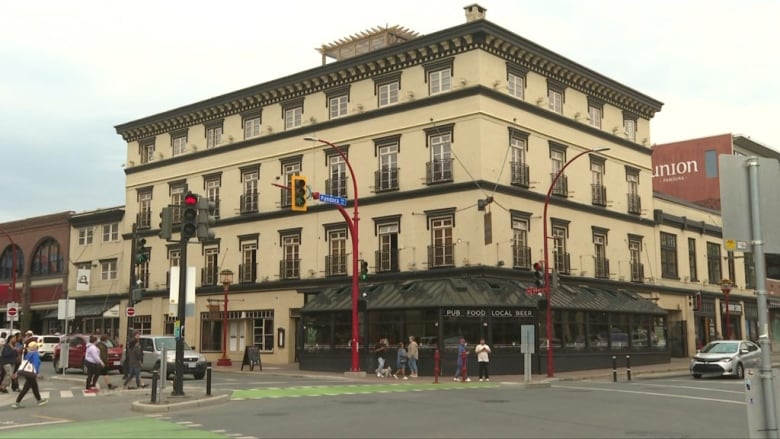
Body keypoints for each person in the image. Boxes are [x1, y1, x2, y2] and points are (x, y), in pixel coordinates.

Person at [11, 341, 47, 409]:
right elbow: (35, 364)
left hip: (27, 373)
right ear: (35, 347)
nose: (38, 347)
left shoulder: (28, 354)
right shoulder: (35, 354)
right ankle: (17, 402)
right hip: (31, 373)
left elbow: (23, 365)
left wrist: (17, 372)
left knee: (34, 386)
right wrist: (36, 374)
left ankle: (39, 400)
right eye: (37, 346)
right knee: (26, 388)